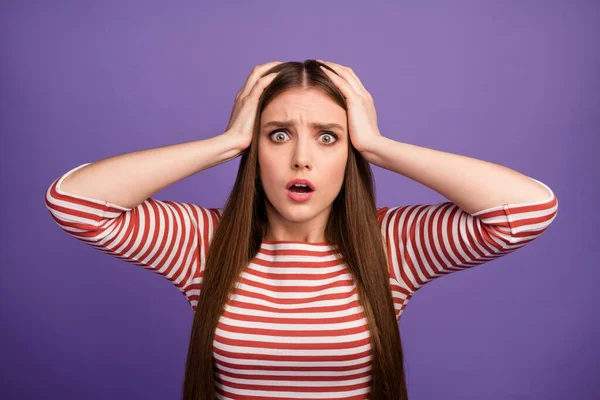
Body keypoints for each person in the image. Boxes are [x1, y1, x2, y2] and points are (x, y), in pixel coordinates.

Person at [44, 60, 559, 400]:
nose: (301, 158)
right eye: (279, 134)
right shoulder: (203, 244)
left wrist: (379, 146)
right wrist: (228, 141)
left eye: (329, 137)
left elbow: (527, 210)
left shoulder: (391, 247)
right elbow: (74, 204)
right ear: (256, 149)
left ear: (349, 151)